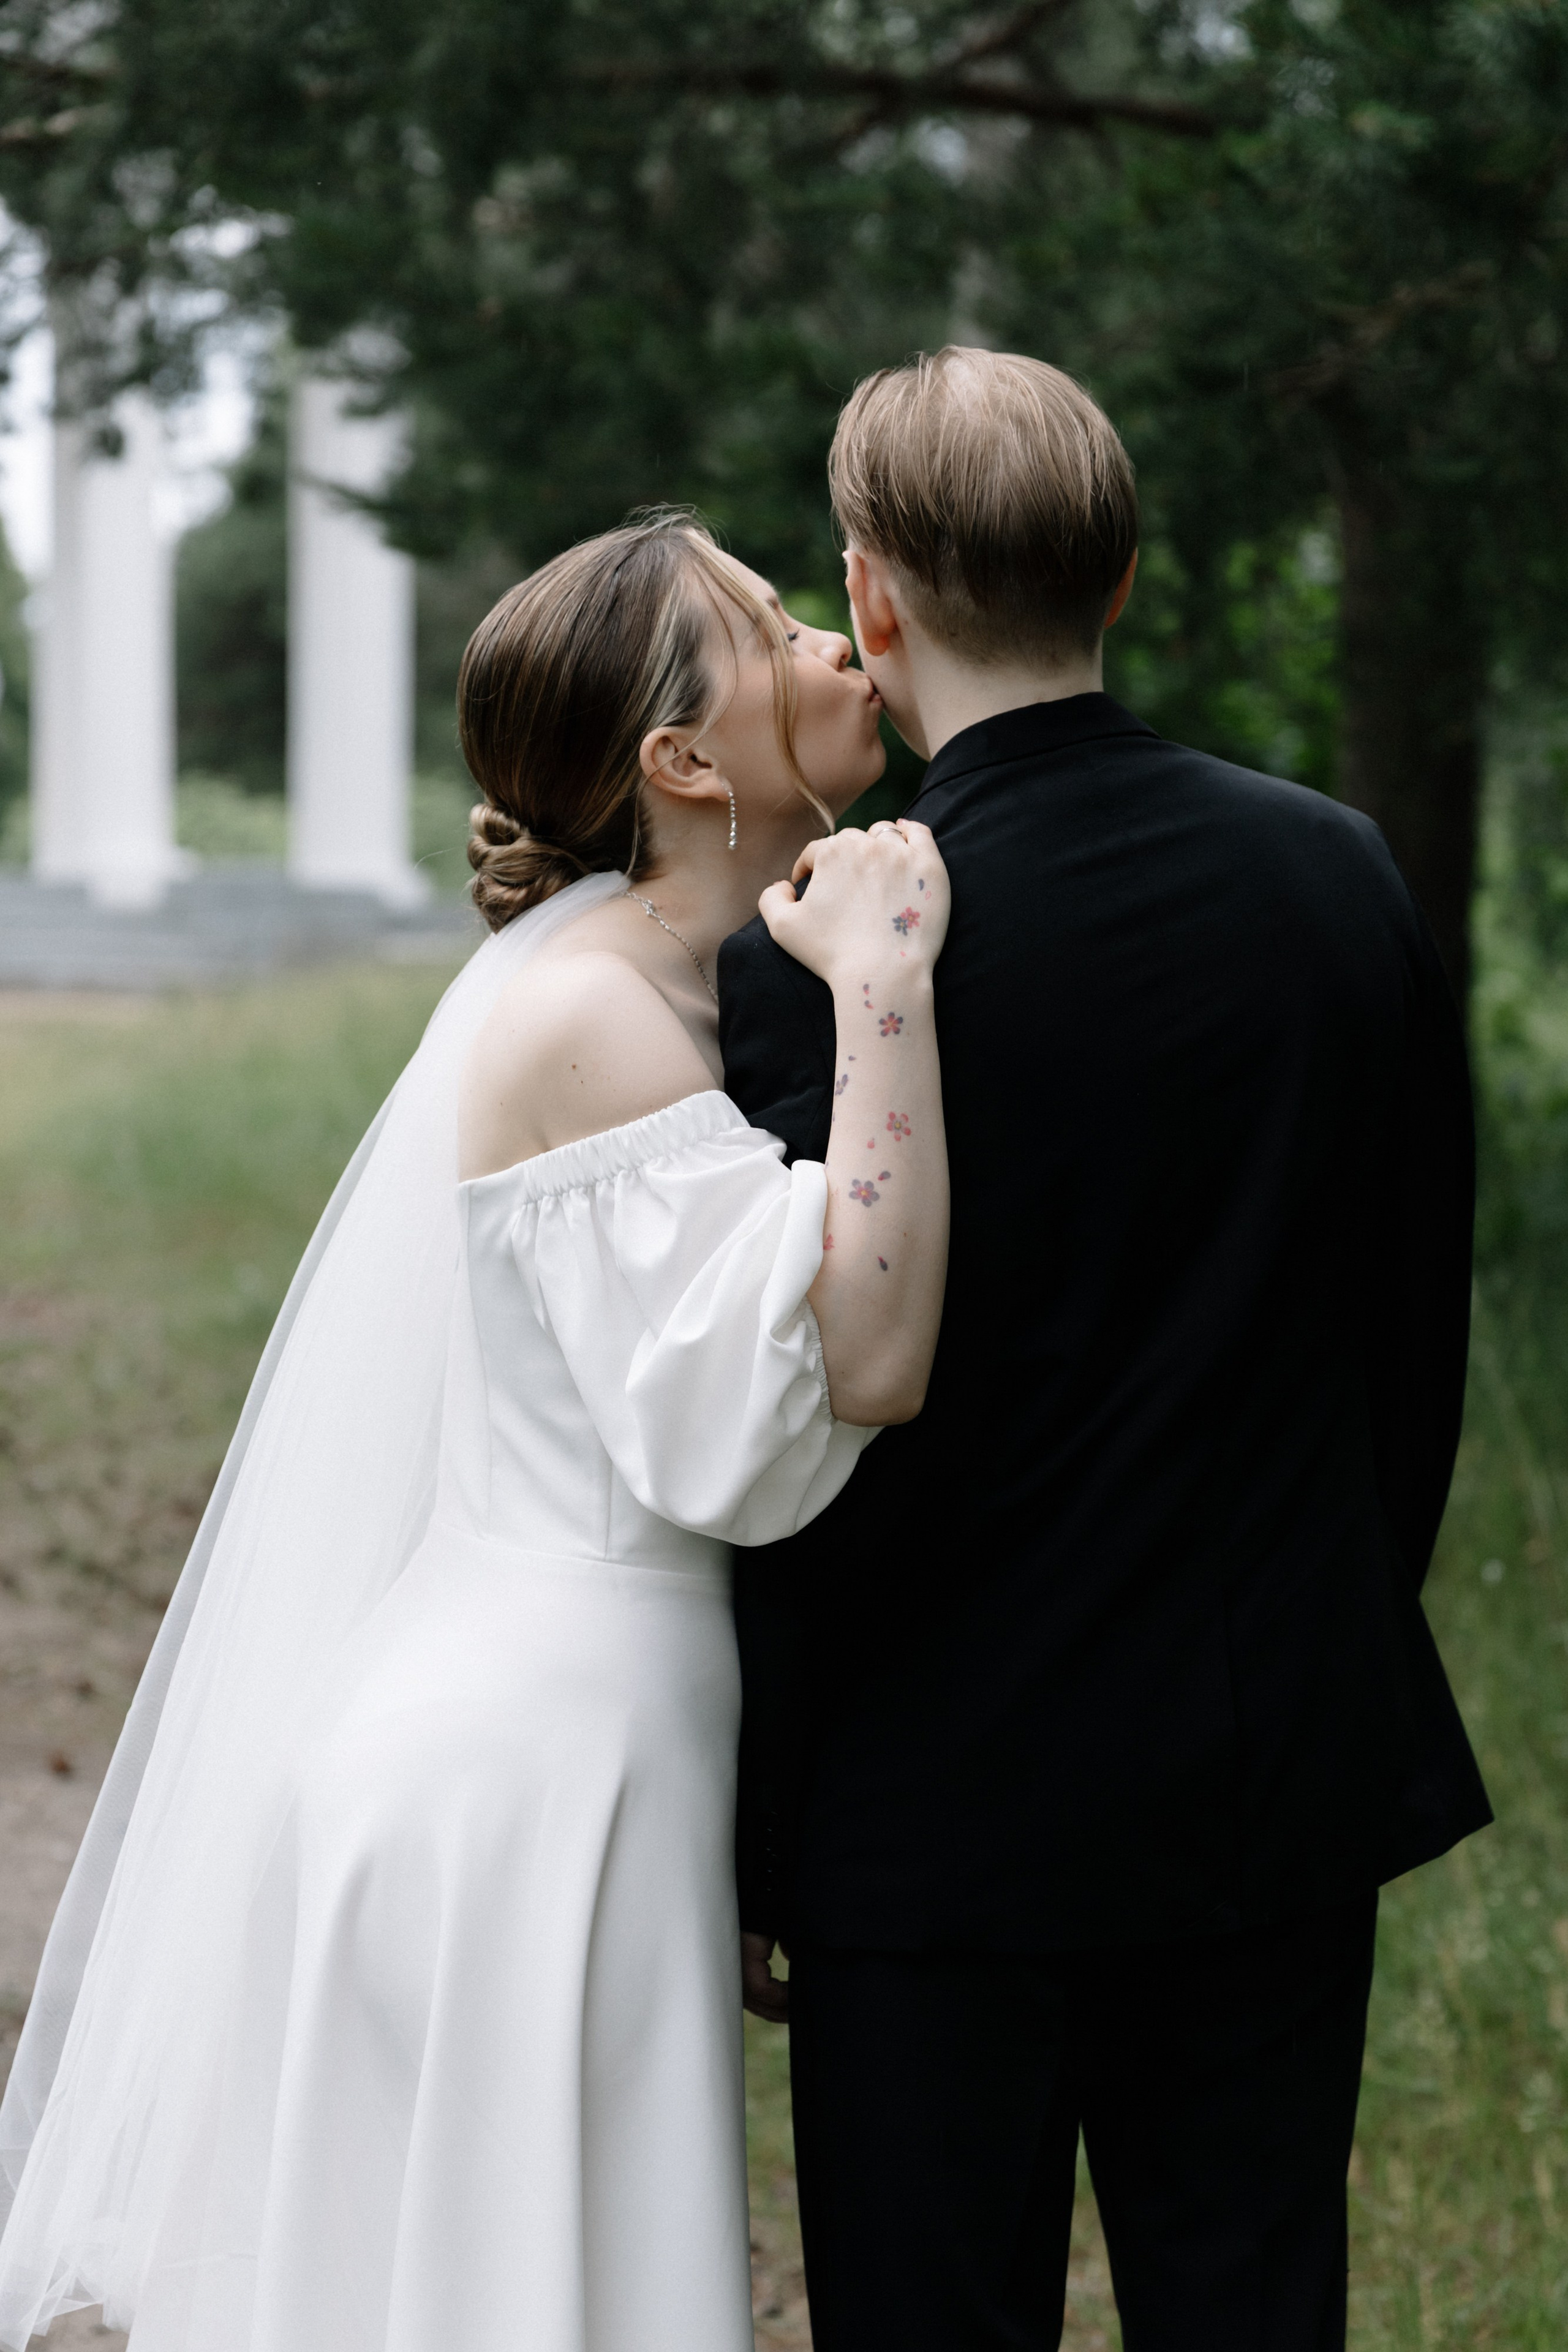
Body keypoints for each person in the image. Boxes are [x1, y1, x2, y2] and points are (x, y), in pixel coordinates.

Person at [0, 513, 951, 2352]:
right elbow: (771, 1424)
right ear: (683, 762)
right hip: (528, 1781)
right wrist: (888, 986)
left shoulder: (660, 978)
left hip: (586, 1734)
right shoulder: (596, 1013)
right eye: (770, 624)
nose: (829, 636)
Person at [720, 349, 1493, 2352]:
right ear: (1125, 578)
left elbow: (794, 1433)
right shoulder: (1340, 877)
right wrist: (1321, 1632)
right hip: (1265, 1775)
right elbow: (1412, 1345)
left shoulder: (807, 953)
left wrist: (768, 1819)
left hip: (923, 1814)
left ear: (870, 600)